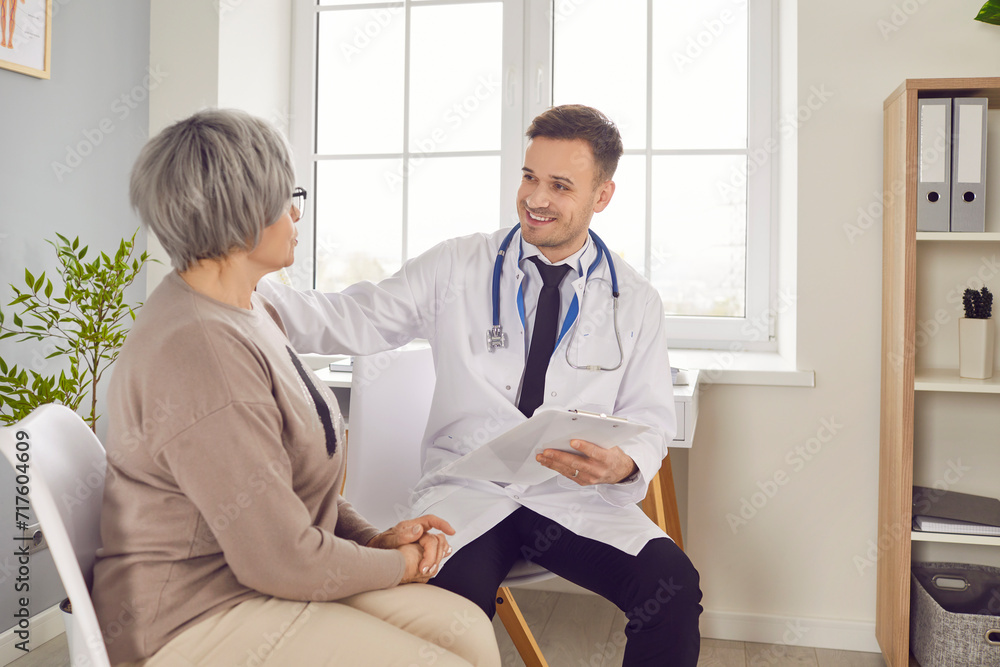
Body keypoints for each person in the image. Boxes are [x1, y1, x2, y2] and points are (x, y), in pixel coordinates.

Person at [257, 104, 703, 666]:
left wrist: (624, 463)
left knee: (673, 592)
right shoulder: (457, 266)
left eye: (560, 186)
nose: (536, 199)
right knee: (447, 617)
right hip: (468, 491)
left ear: (602, 195)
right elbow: (354, 317)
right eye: (529, 177)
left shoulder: (632, 299)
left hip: (568, 497)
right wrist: (242, 283)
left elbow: (652, 419)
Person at [92, 108, 501, 667]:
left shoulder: (251, 307)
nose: (295, 212)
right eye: (287, 198)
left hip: (258, 577)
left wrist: (374, 540)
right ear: (240, 215)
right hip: (194, 615)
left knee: (465, 627)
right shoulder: (200, 351)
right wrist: (402, 566)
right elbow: (281, 558)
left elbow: (286, 496)